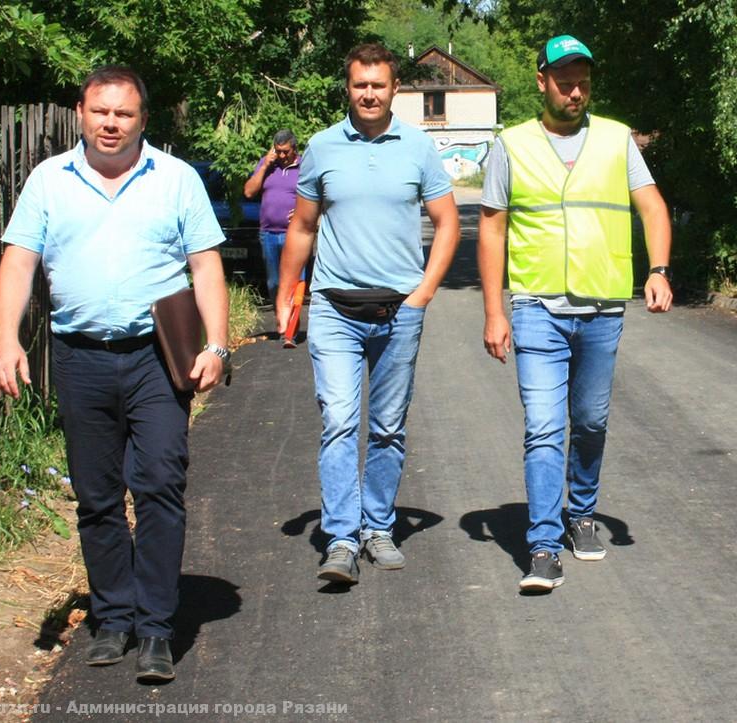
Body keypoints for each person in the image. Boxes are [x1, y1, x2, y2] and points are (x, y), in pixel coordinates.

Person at [0, 65, 229, 681]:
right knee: (96, 497)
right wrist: (7, 340)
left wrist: (219, 345)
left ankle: (154, 627)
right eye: (102, 112)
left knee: (157, 484)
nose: (111, 124)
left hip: (157, 358)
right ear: (82, 113)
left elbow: (205, 265)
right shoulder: (49, 181)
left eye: (124, 114)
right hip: (80, 357)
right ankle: (113, 616)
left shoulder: (176, 180)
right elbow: (19, 262)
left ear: (141, 119)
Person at [478, 35, 673, 592]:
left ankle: (581, 511)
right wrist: (496, 312)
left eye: (583, 79)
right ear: (542, 81)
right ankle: (542, 547)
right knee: (543, 427)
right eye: (564, 79)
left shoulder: (616, 140)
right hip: (536, 306)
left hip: (602, 307)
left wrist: (658, 269)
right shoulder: (510, 145)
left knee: (589, 422)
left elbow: (652, 206)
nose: (575, 89)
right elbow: (490, 229)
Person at [277, 43, 460, 584]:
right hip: (334, 308)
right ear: (348, 87)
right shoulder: (322, 147)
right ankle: (339, 538)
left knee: (387, 427)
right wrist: (289, 291)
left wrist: (424, 293)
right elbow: (303, 226)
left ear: (394, 89)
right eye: (360, 84)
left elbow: (447, 223)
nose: (369, 93)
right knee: (339, 421)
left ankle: (378, 526)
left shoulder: (419, 148)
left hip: (398, 311)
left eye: (378, 85)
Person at [243, 128, 304, 333]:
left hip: (294, 234)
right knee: (274, 282)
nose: (282, 155)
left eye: (286, 151)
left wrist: (302, 210)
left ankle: (291, 329)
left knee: (296, 281)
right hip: (268, 233)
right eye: (278, 151)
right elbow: (249, 191)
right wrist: (265, 166)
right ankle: (282, 319)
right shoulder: (267, 165)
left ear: (294, 149)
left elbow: (318, 195)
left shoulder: (304, 166)